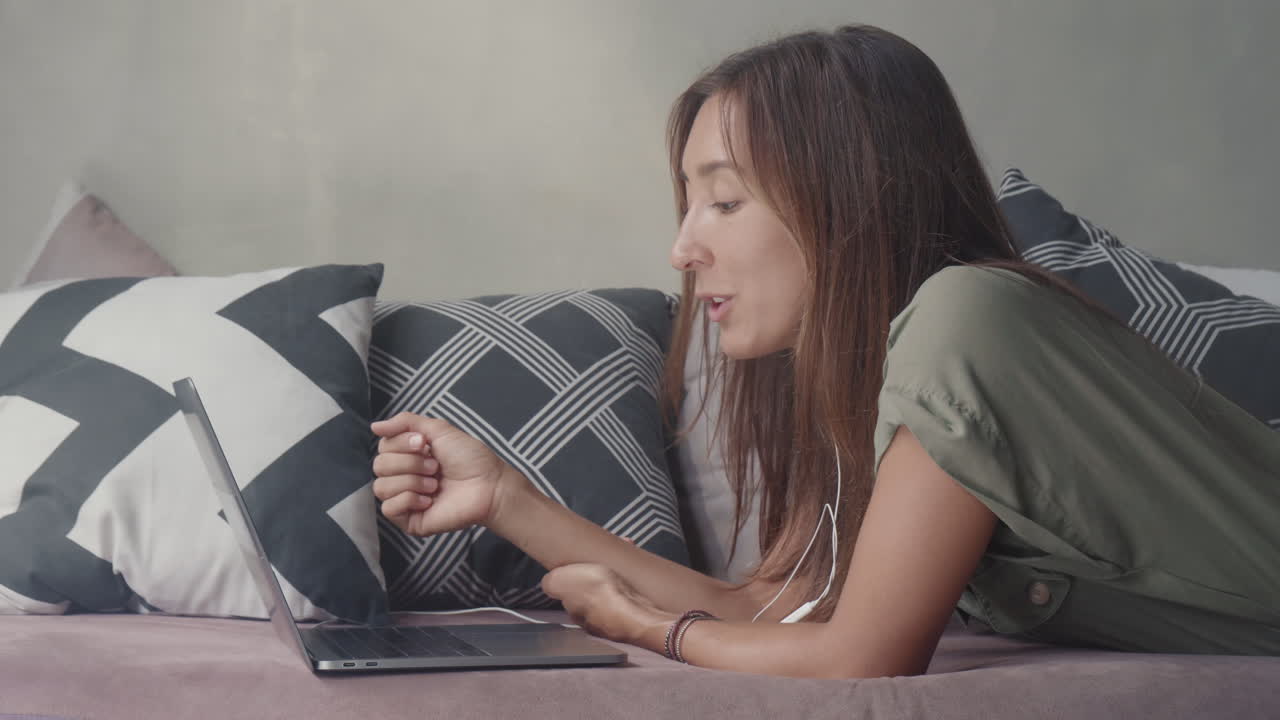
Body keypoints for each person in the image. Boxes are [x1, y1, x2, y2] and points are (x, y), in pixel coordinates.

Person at [370, 25, 1280, 678]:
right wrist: (507, 501)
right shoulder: (880, 382)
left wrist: (651, 631)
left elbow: (859, 658)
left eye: (724, 201)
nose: (683, 249)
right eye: (688, 205)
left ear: (849, 201)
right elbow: (771, 610)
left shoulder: (969, 321)